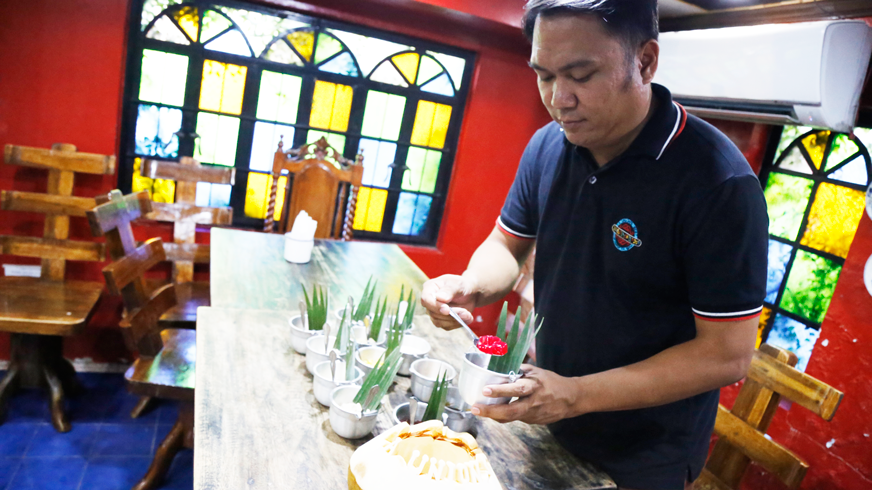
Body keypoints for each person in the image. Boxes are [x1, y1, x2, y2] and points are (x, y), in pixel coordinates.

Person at [420, 1, 769, 489]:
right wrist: (470, 285)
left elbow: (727, 355)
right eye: (544, 75)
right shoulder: (548, 145)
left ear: (645, 62)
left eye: (581, 75)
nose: (559, 99)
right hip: (548, 413)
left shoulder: (717, 183)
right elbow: (505, 245)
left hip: (643, 455)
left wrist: (578, 394)